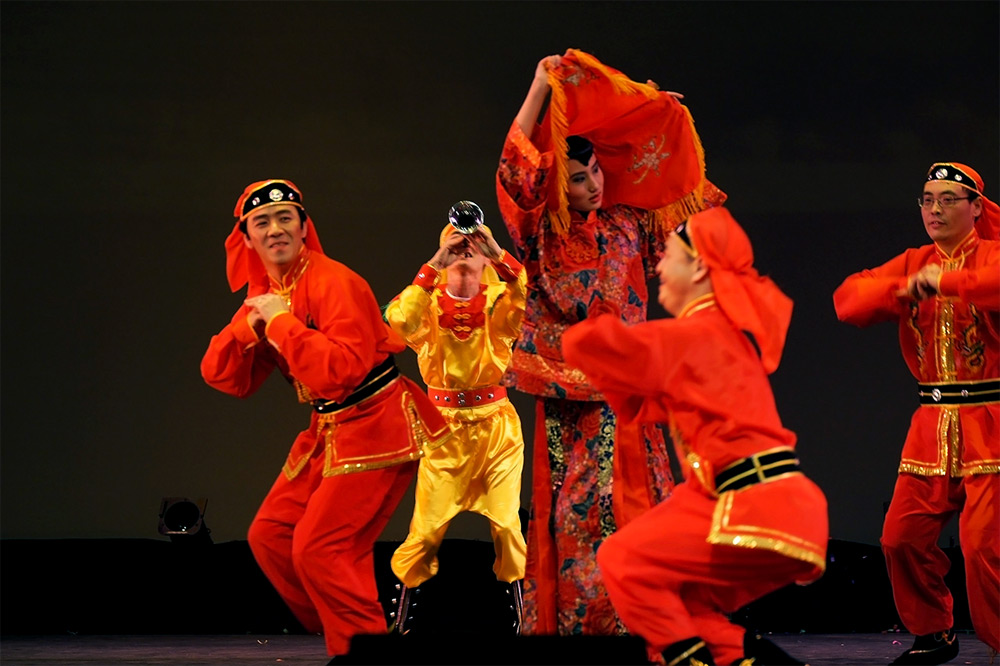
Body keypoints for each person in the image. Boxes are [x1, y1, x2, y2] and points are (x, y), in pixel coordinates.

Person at [495, 48, 726, 635]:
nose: (594, 184)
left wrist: (655, 119)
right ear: (558, 184)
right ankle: (585, 626)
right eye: (579, 177)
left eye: (596, 171)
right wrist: (539, 86)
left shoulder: (627, 223)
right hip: (569, 395)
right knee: (577, 509)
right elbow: (515, 171)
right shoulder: (542, 231)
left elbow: (680, 201)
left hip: (628, 396)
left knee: (640, 500)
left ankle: (647, 620)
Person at [563, 207, 829, 666]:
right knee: (683, 606)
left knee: (623, 559)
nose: (658, 267)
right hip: (777, 507)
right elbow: (644, 403)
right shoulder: (721, 337)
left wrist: (593, 304)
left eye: (667, 255)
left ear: (700, 266)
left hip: (748, 503)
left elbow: (588, 346)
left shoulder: (694, 334)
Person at [200, 179, 451, 659]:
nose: (275, 229)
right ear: (246, 238)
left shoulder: (335, 282)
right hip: (328, 430)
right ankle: (351, 631)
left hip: (377, 423)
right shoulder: (269, 292)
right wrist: (247, 329)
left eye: (285, 218)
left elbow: (340, 372)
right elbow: (224, 377)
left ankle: (357, 644)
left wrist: (280, 324)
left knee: (322, 548)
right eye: (261, 222)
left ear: (303, 227)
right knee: (271, 535)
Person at [833, 162, 999, 665]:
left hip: (991, 419)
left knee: (983, 546)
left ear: (976, 207)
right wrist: (902, 290)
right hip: (932, 424)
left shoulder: (991, 256)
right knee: (900, 538)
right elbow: (848, 302)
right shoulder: (913, 262)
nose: (935, 209)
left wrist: (948, 283)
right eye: (927, 200)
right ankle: (933, 633)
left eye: (948, 199)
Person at [384, 219, 528, 634]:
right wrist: (434, 264)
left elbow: (534, 303)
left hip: (497, 430)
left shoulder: (500, 298)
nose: (466, 247)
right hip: (443, 431)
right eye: (456, 241)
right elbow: (397, 325)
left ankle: (527, 625)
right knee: (425, 532)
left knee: (507, 527)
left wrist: (499, 254)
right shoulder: (425, 300)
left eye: (475, 243)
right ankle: (398, 627)